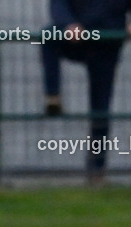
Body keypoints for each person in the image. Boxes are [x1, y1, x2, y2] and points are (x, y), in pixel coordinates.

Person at [41, 0, 131, 181]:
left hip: (106, 44)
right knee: (48, 36)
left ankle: (96, 170)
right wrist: (69, 24)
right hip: (77, 36)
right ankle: (53, 96)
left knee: (100, 109)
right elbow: (58, 3)